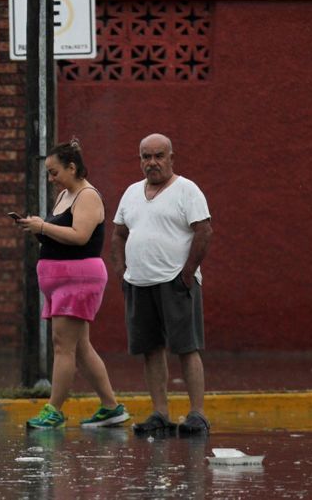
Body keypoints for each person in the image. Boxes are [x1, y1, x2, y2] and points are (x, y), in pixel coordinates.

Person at [17, 140, 130, 429]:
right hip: (60, 279)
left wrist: (43, 226)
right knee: (80, 347)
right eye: (48, 173)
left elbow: (80, 236)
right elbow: (58, 235)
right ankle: (111, 406)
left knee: (62, 345)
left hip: (78, 278)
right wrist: (37, 228)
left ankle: (54, 409)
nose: (51, 179)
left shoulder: (87, 196)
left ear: (72, 167)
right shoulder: (64, 196)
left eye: (55, 172)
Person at [111, 133, 213, 435]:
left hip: (175, 282)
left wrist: (187, 273)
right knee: (150, 348)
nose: (152, 162)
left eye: (158, 156)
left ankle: (197, 414)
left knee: (187, 346)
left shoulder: (187, 190)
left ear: (171, 158)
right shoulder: (131, 193)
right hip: (139, 283)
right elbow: (118, 233)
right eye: (146, 157)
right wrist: (121, 271)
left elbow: (204, 231)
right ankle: (160, 413)